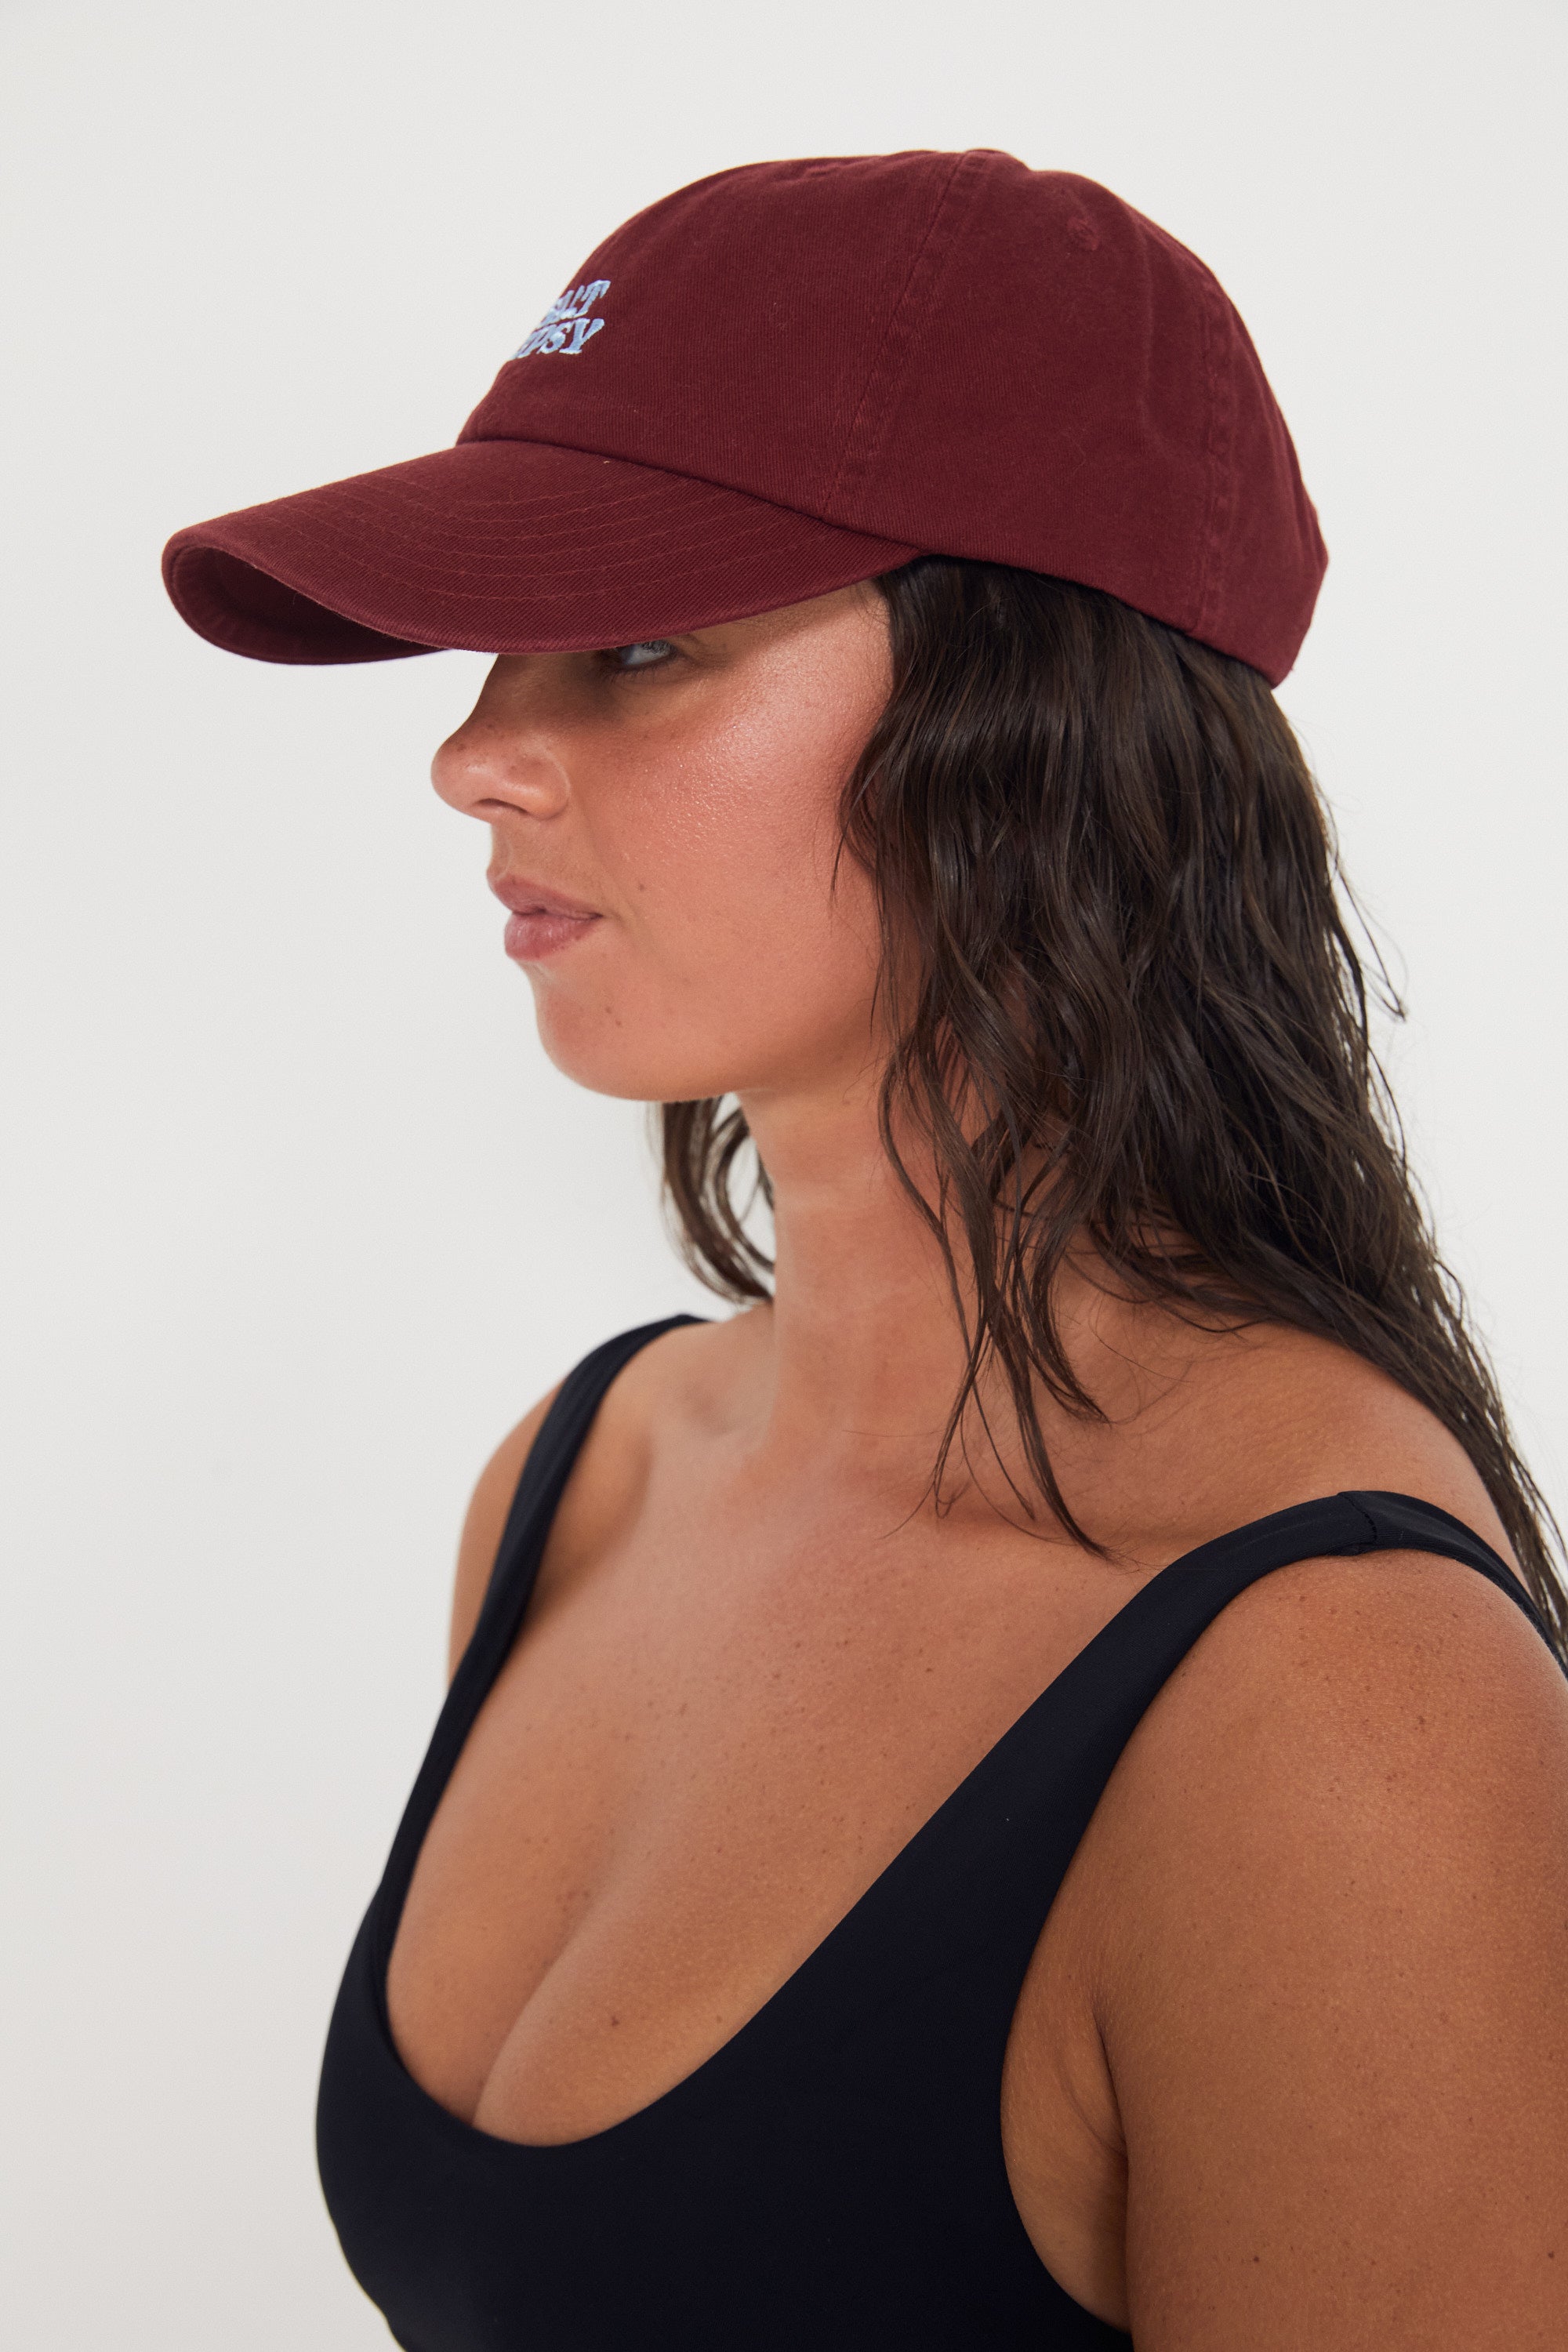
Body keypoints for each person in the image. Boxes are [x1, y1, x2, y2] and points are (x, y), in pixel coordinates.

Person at [162, 151, 1568, 2348]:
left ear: (1045, 743)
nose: (471, 752)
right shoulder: (585, 1480)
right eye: (504, 647)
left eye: (639, 645)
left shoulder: (1332, 1702)